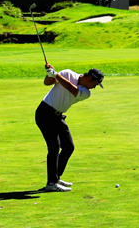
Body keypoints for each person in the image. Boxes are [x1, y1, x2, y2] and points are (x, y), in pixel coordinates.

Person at [35, 64, 104, 192]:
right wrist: (49, 74)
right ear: (90, 79)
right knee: (54, 147)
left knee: (68, 146)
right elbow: (47, 83)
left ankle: (56, 178)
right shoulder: (67, 73)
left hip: (57, 116)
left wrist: (56, 75)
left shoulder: (86, 93)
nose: (95, 87)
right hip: (44, 113)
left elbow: (70, 88)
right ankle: (51, 183)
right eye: (95, 84)